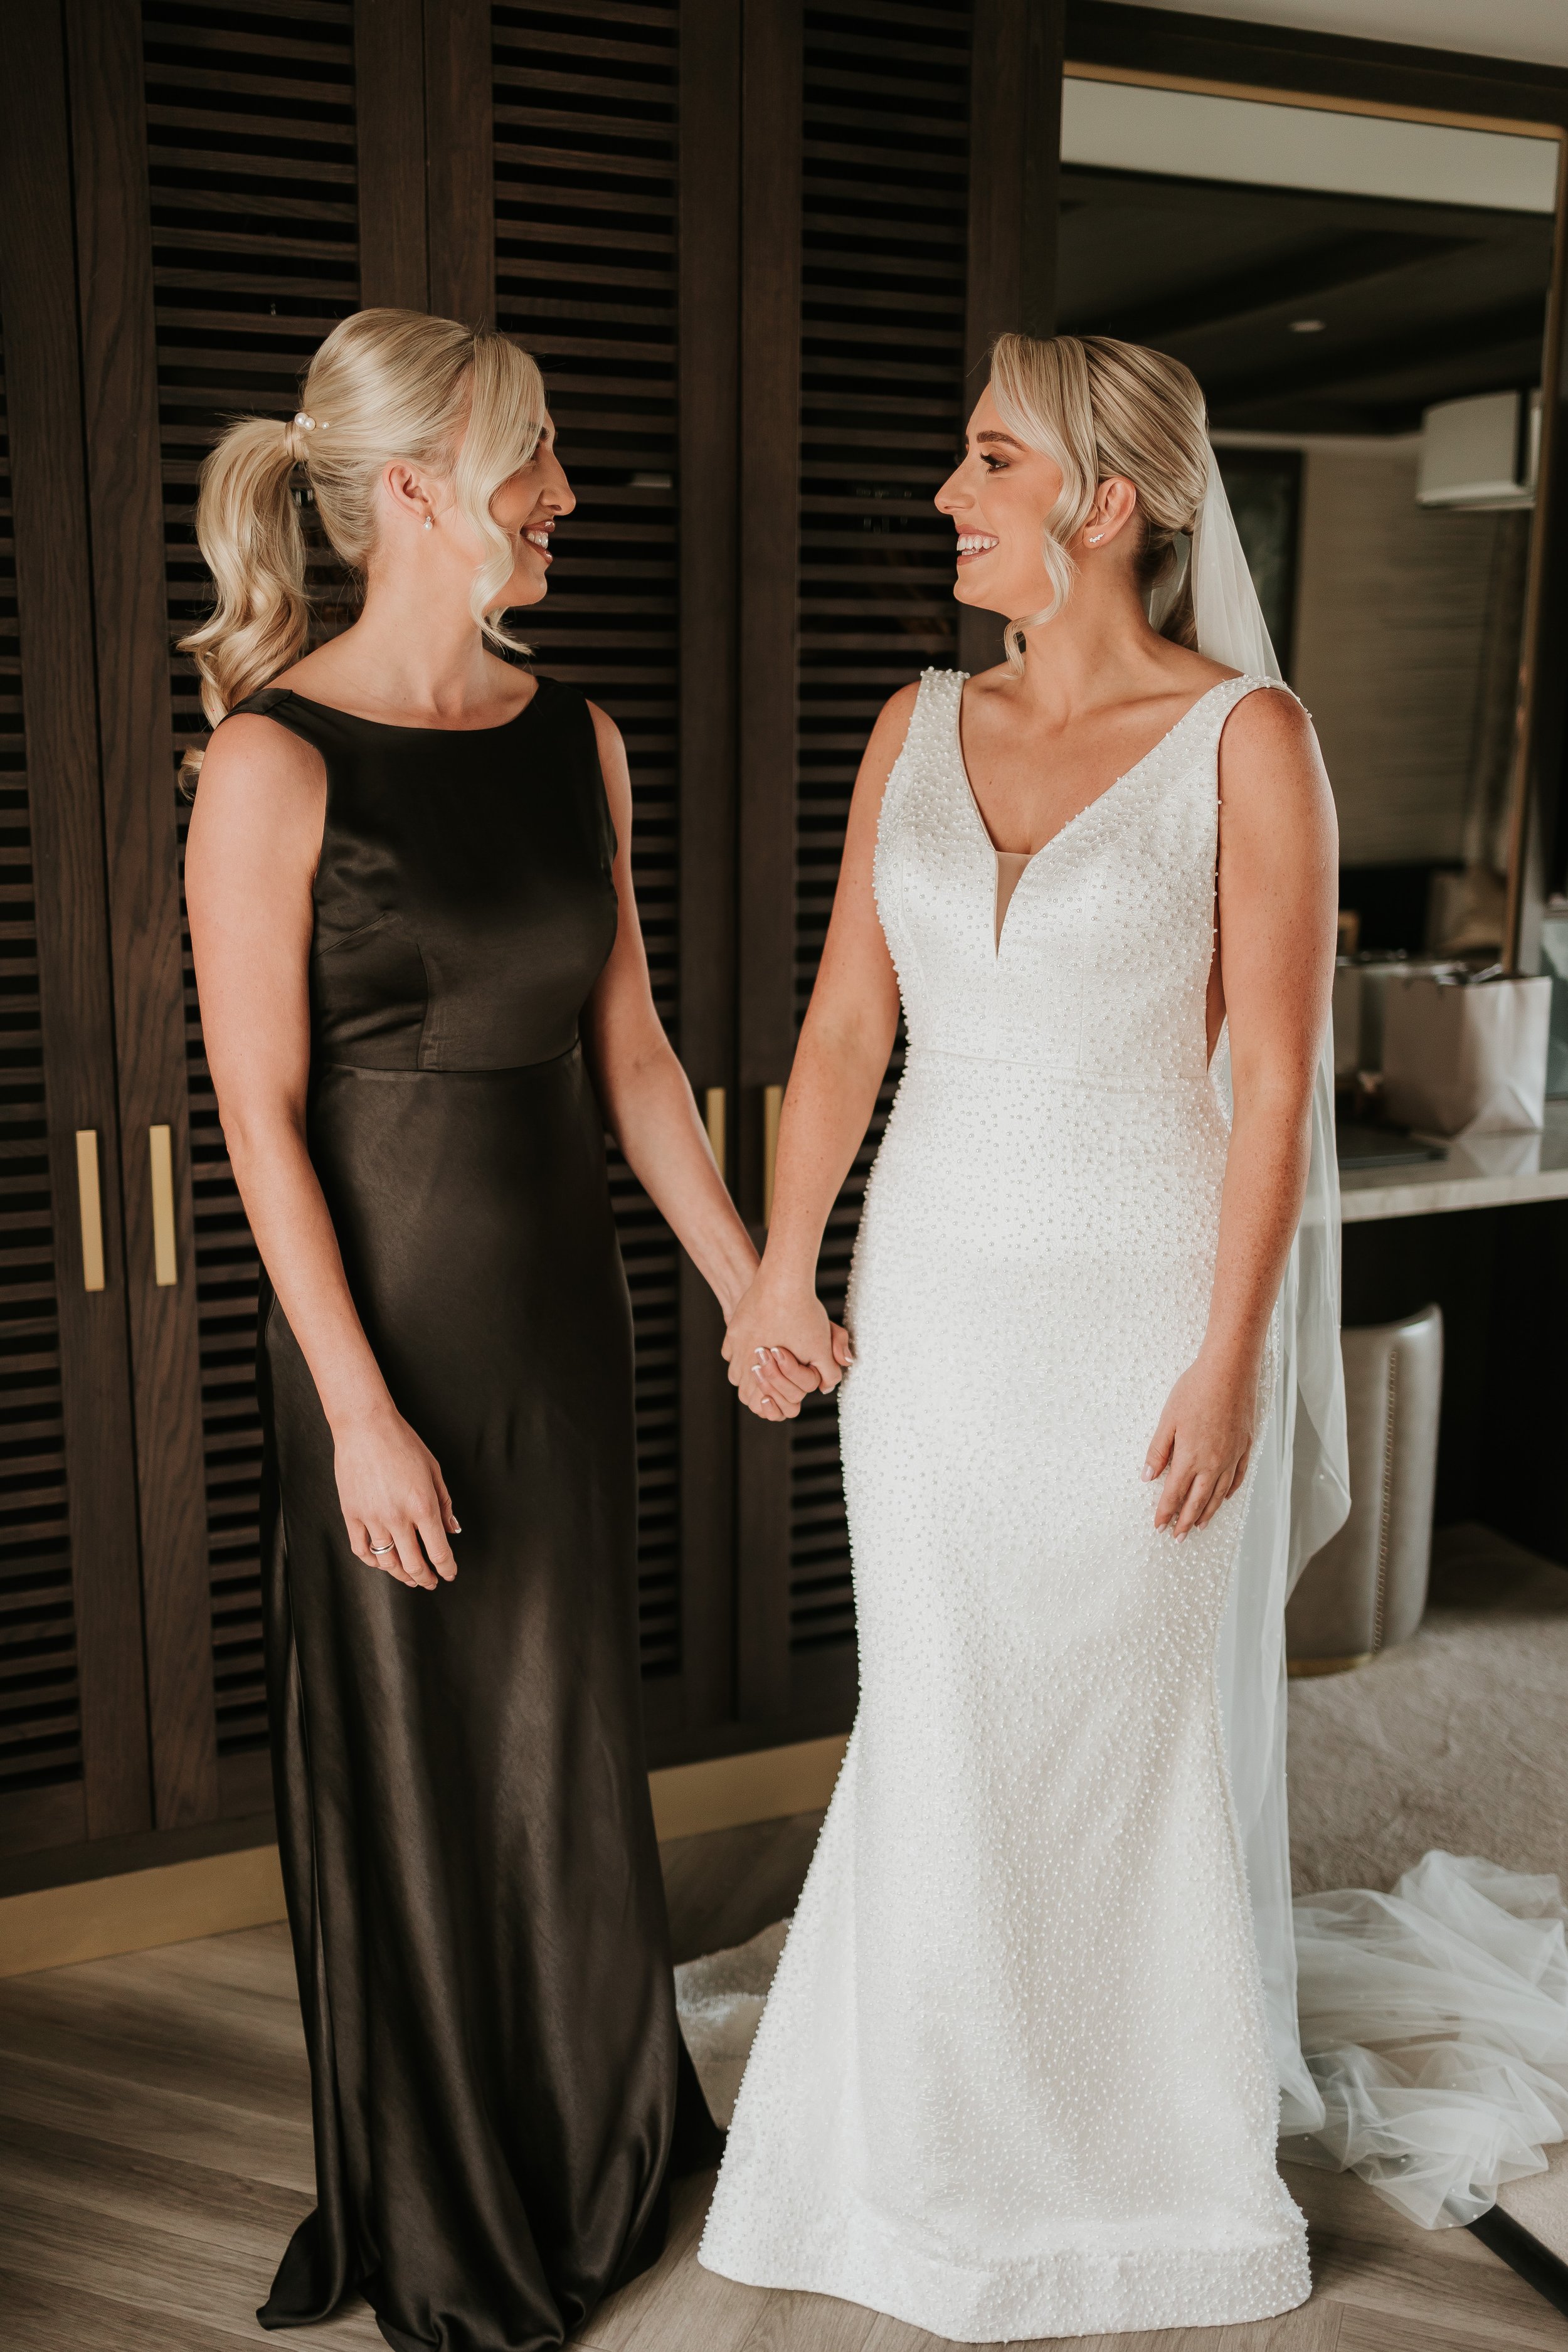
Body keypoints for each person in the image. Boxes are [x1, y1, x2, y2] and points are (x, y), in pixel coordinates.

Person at [703, 332, 1346, 2339]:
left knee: (1113, 1740)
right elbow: (840, 1031)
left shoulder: (1250, 739)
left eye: (988, 460)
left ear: (1106, 504)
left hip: (1138, 1304)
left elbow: (1270, 1084)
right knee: (942, 1718)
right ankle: (913, 2157)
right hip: (935, 1312)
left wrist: (1229, 1358)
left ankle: (1138, 2168)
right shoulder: (911, 724)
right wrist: (776, 1266)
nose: (946, 497)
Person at [183, 307, 794, 2352]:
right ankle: (448, 2185)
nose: (561, 493)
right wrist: (355, 1414)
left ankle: (600, 2135)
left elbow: (633, 1060)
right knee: (423, 1745)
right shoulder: (268, 759)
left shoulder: (576, 735)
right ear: (422, 490)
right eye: (531, 456)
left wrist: (747, 1289)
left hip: (559, 1313)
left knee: (555, 1732)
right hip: (385, 1334)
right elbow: (259, 1121)